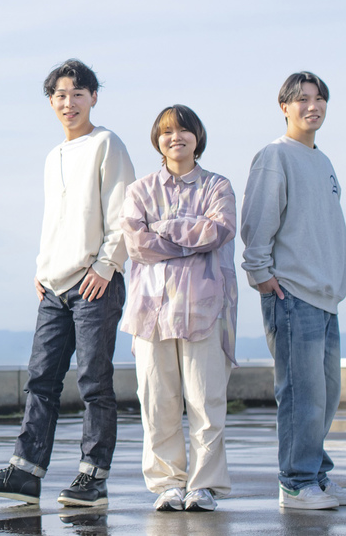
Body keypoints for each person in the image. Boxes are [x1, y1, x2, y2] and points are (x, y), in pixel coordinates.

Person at [0, 59, 135, 506]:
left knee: (94, 382)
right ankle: (25, 472)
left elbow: (124, 213)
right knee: (41, 380)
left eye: (78, 94)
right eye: (60, 95)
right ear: (51, 102)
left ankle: (93, 477)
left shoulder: (106, 144)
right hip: (54, 286)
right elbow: (55, 220)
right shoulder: (52, 156)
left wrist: (106, 265)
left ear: (93, 97)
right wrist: (42, 268)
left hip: (95, 282)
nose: (68, 102)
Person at [240, 71, 346, 510]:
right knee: (301, 394)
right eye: (303, 99)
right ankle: (295, 483)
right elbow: (257, 222)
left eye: (319, 99)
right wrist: (261, 275)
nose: (313, 106)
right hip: (292, 294)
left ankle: (315, 475)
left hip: (326, 297)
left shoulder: (322, 161)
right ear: (285, 107)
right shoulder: (275, 156)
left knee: (325, 396)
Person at [120, 105, 238, 512]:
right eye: (167, 131)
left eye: (184, 130)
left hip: (204, 309)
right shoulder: (140, 190)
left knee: (207, 402)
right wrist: (190, 236)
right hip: (150, 312)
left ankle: (204, 485)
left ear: (197, 137)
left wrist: (164, 229)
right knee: (157, 402)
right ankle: (167, 484)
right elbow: (137, 244)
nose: (176, 138)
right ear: (158, 139)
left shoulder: (217, 186)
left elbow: (219, 230)